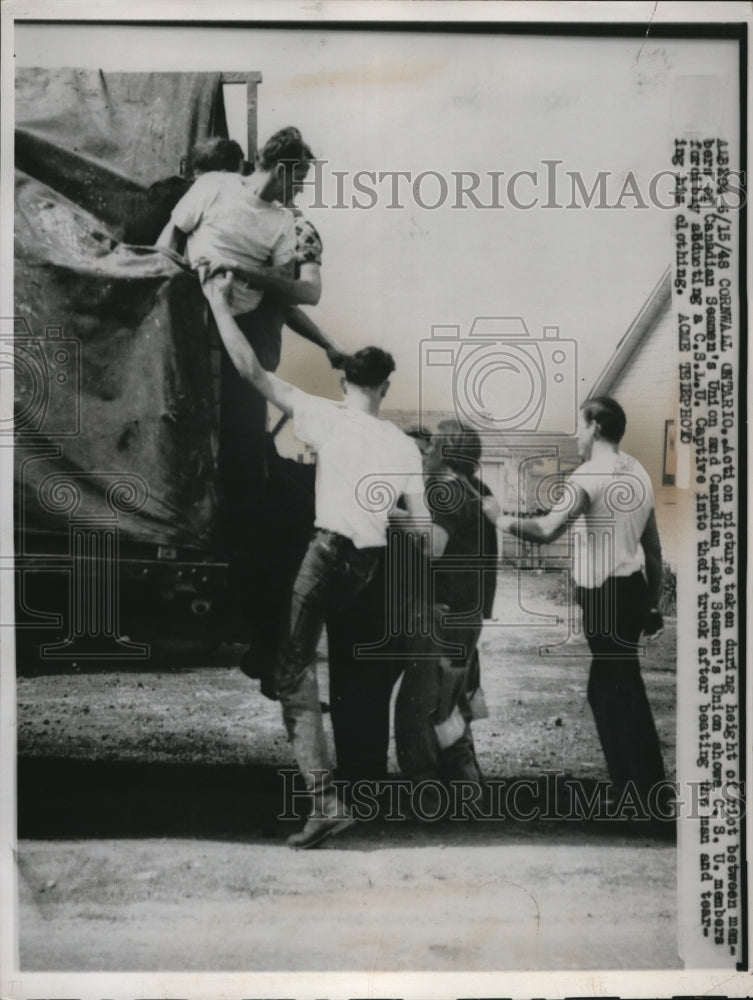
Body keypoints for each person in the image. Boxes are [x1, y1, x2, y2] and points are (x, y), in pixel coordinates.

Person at [200, 266, 429, 848]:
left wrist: (218, 304)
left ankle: (325, 803)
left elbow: (251, 370)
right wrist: (379, 513)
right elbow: (423, 530)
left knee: (290, 669)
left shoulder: (327, 417)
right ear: (384, 388)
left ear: (346, 380)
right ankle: (335, 769)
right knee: (301, 643)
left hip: (328, 554)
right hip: (364, 565)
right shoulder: (402, 444)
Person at [484, 396, 667, 815]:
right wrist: (652, 605)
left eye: (580, 427)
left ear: (596, 427)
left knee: (615, 691)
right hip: (632, 591)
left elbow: (548, 529)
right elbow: (653, 550)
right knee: (615, 687)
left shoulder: (589, 475)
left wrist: (499, 519)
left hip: (604, 595)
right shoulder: (638, 471)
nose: (576, 436)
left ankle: (644, 799)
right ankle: (641, 793)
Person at [394, 420, 493, 795]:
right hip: (466, 614)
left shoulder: (448, 493)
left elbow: (431, 546)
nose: (427, 451)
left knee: (417, 708)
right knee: (449, 706)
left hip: (441, 614)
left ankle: (426, 793)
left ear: (447, 453)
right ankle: (467, 789)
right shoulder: (472, 490)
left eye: (434, 444)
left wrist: (390, 517)